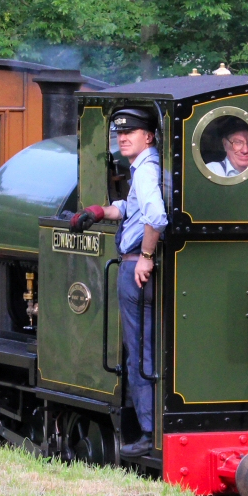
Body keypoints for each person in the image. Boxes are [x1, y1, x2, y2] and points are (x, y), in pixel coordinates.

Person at [68, 107, 167, 458]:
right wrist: (101, 212)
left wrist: (146, 255)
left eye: (131, 132)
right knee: (142, 346)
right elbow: (137, 208)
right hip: (134, 263)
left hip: (134, 268)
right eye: (120, 133)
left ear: (149, 136)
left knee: (139, 349)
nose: (123, 137)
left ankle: (148, 432)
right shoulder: (146, 168)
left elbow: (156, 215)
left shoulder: (146, 170)